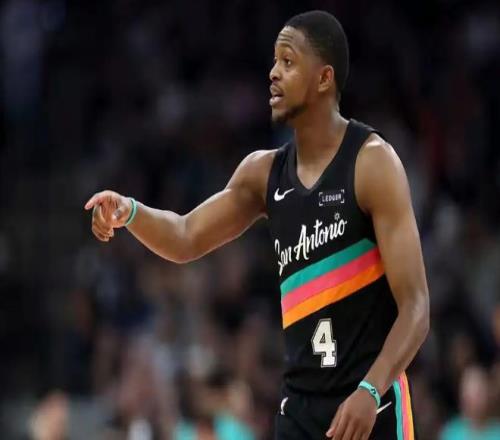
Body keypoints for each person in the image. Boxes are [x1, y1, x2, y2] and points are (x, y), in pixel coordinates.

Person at [85, 10, 429, 440]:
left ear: (324, 78)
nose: (273, 73)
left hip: (371, 402)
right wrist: (131, 211)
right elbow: (185, 236)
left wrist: (371, 389)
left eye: (288, 61)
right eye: (274, 61)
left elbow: (416, 308)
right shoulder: (263, 173)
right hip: (299, 410)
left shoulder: (372, 162)